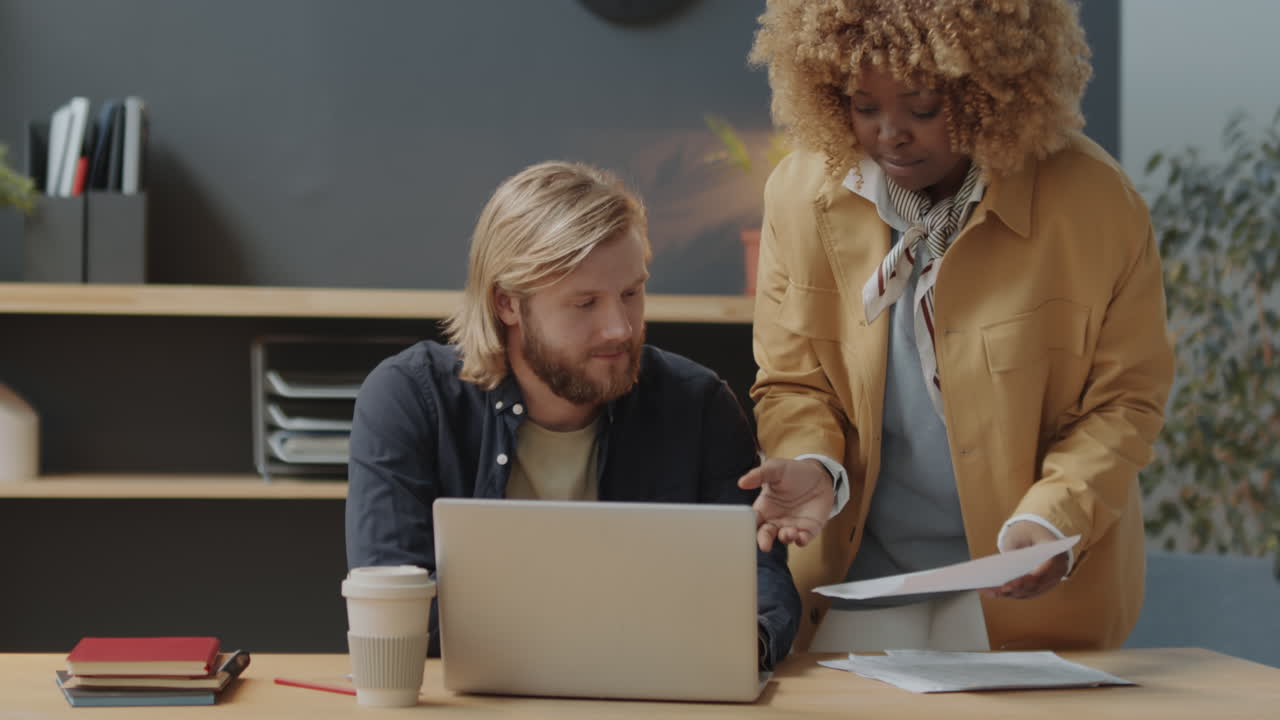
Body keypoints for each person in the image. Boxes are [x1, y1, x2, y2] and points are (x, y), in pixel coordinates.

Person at [742, 0, 1175, 652]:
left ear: (989, 90)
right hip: (859, 583)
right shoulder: (798, 197)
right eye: (864, 107)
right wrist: (813, 463)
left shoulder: (1097, 204)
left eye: (922, 108)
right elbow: (794, 381)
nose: (891, 133)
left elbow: (1124, 403)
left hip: (1031, 593)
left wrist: (1051, 519)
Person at [345, 160, 800, 668]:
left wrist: (741, 649)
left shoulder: (698, 405)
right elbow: (391, 603)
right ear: (507, 304)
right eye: (585, 303)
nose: (620, 329)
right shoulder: (410, 399)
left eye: (631, 293)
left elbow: (760, 583)